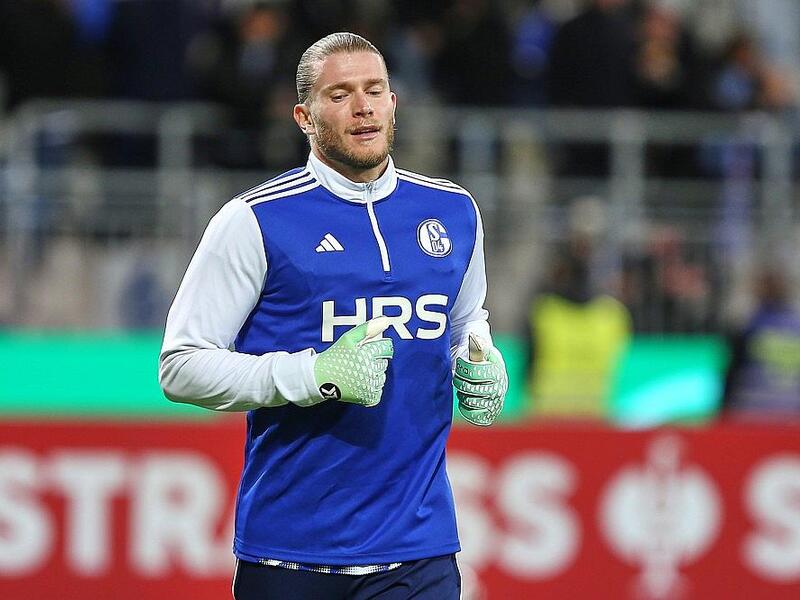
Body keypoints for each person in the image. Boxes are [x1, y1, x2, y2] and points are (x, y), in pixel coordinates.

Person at [158, 32, 508, 600]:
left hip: (418, 552)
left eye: (375, 90)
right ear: (304, 116)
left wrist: (482, 360)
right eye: (340, 94)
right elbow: (180, 366)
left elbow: (466, 323)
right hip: (290, 555)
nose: (363, 106)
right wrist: (313, 373)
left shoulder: (454, 211)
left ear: (394, 102)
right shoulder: (253, 220)